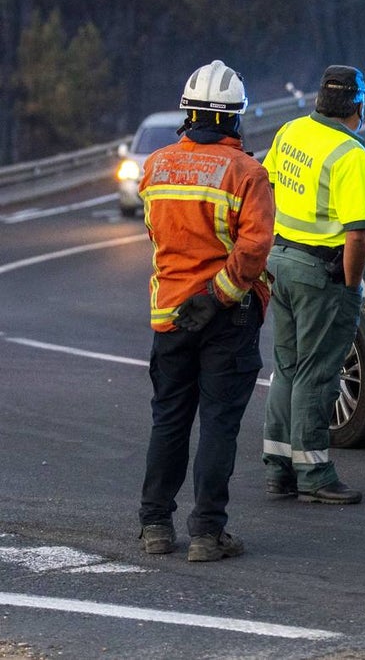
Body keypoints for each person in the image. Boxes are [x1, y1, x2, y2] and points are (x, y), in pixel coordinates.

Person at [137, 59, 275, 563]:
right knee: (218, 424)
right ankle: (206, 534)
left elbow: (158, 236)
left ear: (187, 112)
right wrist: (217, 294)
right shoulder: (246, 172)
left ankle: (154, 526)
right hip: (227, 316)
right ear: (236, 117)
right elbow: (255, 247)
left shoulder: (154, 167)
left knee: (168, 421)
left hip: (168, 316)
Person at [261, 65, 365, 505]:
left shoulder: (290, 131)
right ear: (359, 105)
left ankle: (278, 468)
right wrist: (352, 287)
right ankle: (313, 470)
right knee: (317, 372)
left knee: (286, 369)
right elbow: (357, 236)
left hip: (282, 261)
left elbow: (267, 187)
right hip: (322, 274)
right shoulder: (352, 157)